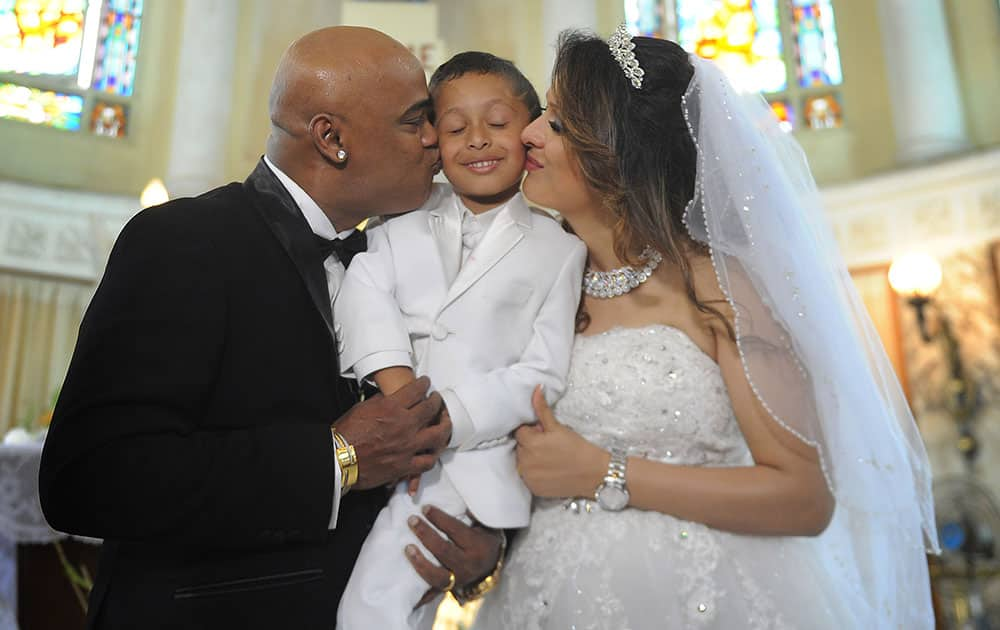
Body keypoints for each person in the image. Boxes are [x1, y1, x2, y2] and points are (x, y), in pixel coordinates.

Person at [38, 27, 502, 630]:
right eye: (416, 121)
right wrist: (335, 459)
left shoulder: (400, 256)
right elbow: (89, 477)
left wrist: (480, 556)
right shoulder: (183, 242)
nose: (435, 141)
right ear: (332, 138)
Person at [473, 27, 938, 629]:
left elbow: (803, 496)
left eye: (558, 124)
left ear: (619, 152)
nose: (529, 133)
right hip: (544, 593)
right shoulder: (539, 278)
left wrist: (602, 473)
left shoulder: (718, 286)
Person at [334, 52, 586, 630]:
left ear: (529, 132)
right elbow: (364, 291)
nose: (477, 140)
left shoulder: (560, 248)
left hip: (469, 460)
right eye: (455, 128)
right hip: (387, 430)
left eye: (497, 124)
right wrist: (403, 397)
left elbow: (543, 372)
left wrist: (451, 417)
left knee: (377, 604)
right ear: (433, 140)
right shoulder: (401, 217)